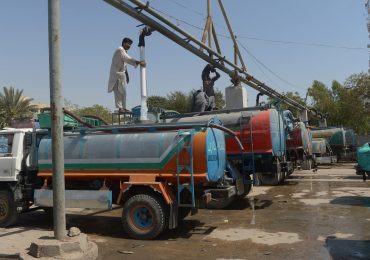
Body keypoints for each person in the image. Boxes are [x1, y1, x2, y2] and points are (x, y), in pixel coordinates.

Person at [107, 37, 145, 113]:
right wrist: (139, 62)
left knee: (123, 92)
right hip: (117, 74)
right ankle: (120, 108)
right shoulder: (120, 50)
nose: (129, 46)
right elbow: (127, 59)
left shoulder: (124, 51)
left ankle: (124, 107)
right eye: (128, 44)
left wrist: (127, 75)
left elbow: (125, 64)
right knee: (118, 91)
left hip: (122, 74)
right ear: (124, 43)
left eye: (130, 44)